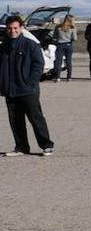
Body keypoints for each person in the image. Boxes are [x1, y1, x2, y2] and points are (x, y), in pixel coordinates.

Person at [1, 15, 55, 156]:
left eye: (15, 28)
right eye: (10, 28)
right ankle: (21, 147)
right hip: (10, 90)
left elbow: (39, 64)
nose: (13, 31)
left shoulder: (30, 45)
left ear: (21, 28)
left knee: (36, 118)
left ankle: (46, 145)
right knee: (15, 120)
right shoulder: (3, 47)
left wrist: (31, 81)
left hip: (28, 90)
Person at [52, 14, 76, 81]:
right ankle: (69, 77)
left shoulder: (58, 27)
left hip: (60, 45)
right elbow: (75, 38)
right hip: (68, 45)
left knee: (58, 62)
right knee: (68, 62)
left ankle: (58, 77)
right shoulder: (72, 27)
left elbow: (54, 36)